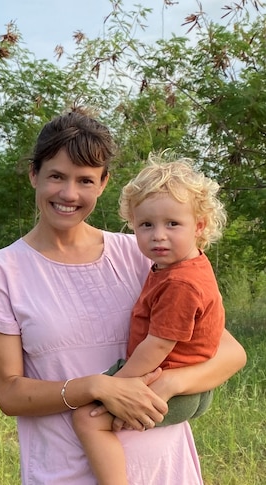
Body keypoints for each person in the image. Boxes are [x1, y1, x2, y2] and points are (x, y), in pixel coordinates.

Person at [0, 109, 247, 484]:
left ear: (103, 183)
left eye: (84, 180)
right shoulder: (2, 272)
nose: (69, 193)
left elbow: (229, 352)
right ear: (34, 174)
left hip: (165, 468)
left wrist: (172, 384)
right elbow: (10, 395)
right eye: (56, 177)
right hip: (64, 472)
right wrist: (97, 386)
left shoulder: (143, 253)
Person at [73, 156, 228, 484]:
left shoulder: (180, 282)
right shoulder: (180, 267)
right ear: (133, 224)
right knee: (108, 416)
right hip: (181, 383)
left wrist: (120, 384)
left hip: (169, 385)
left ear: (199, 226)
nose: (158, 236)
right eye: (146, 225)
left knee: (89, 419)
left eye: (172, 224)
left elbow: (158, 345)